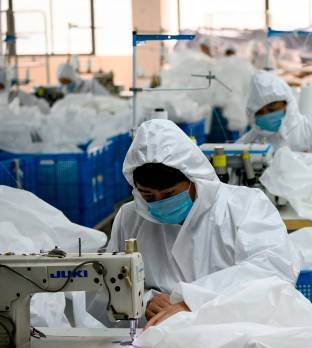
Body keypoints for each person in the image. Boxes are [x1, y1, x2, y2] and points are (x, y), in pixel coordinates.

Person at [95, 119, 300, 328]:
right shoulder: (131, 217)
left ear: (193, 179)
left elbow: (272, 272)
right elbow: (109, 285)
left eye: (169, 194)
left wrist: (193, 302)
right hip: (158, 336)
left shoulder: (245, 206)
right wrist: (143, 301)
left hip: (234, 329)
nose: (159, 203)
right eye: (148, 195)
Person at [238, 71, 312, 156]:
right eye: (260, 112)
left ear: (287, 103)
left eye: (271, 109)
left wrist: (305, 160)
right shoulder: (248, 142)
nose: (266, 115)